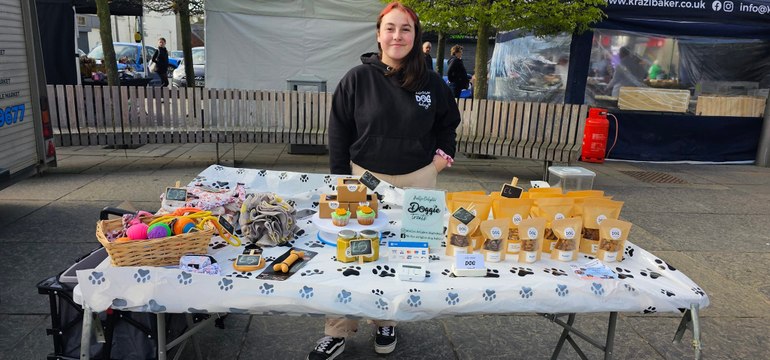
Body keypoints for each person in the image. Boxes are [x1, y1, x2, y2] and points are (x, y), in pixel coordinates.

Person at [319, 2, 460, 359]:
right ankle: (337, 329)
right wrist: (340, 184)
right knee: (348, 254)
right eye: (391, 28)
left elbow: (448, 125)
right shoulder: (357, 78)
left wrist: (438, 165)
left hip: (418, 181)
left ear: (416, 36)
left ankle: (386, 320)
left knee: (406, 254)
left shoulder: (433, 83)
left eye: (406, 29)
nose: (398, 36)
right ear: (379, 34)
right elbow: (338, 133)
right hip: (364, 180)